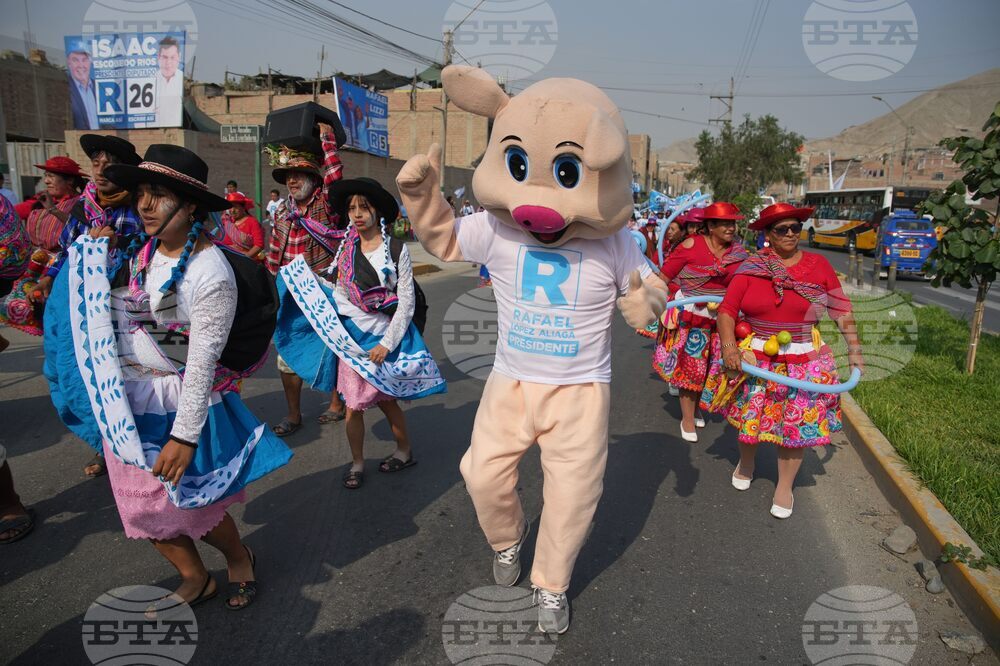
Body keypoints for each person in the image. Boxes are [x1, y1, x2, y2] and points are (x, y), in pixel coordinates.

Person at [397, 65, 667, 634]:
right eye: (519, 167)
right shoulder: (497, 229)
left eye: (568, 172)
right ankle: (508, 537)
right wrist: (421, 196)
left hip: (581, 392)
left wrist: (647, 302)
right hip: (510, 382)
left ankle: (552, 583)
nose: (538, 206)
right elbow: (445, 239)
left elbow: (648, 288)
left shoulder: (615, 242)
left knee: (573, 496)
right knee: (481, 475)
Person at [44, 144, 292, 608]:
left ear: (191, 204)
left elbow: (199, 364)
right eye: (141, 193)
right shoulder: (141, 253)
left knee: (195, 504)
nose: (144, 205)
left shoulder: (210, 273)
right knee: (141, 506)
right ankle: (195, 576)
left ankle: (239, 558)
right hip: (127, 401)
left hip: (178, 405)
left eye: (158, 195)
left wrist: (184, 437)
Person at [277, 178, 445, 489]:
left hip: (382, 337)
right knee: (353, 406)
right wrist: (311, 282)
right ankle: (356, 463)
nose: (356, 214)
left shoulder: (396, 250)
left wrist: (386, 344)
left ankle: (404, 450)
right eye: (352, 208)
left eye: (364, 208)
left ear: (377, 212)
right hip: (352, 341)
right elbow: (341, 292)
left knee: (386, 402)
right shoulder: (347, 247)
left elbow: (406, 302)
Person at [714, 202, 862, 519]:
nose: (791, 233)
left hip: (803, 356)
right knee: (752, 416)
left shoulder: (819, 265)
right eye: (783, 229)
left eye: (796, 227)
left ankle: (784, 486)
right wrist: (729, 347)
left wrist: (854, 349)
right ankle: (747, 463)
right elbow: (726, 311)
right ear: (768, 234)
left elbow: (841, 309)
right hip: (758, 356)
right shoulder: (751, 267)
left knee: (796, 423)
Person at [265, 123, 348, 434]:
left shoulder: (326, 205)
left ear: (314, 178)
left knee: (332, 344)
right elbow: (275, 254)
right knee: (287, 350)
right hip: (291, 291)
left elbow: (335, 177)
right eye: (289, 175)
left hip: (324, 288)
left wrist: (327, 140)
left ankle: (336, 402)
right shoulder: (281, 213)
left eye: (299, 174)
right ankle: (294, 414)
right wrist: (270, 290)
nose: (292, 180)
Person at [657, 201, 748, 442]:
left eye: (733, 224)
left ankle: (696, 408)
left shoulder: (739, 252)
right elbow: (664, 276)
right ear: (710, 226)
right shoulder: (691, 245)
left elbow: (747, 284)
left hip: (723, 320)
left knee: (710, 369)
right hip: (693, 317)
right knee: (691, 368)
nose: (731, 228)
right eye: (725, 224)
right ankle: (687, 418)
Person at [24, 157, 87, 303]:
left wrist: (53, 210)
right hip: (34, 268)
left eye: (51, 176)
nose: (46, 181)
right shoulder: (39, 202)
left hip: (62, 268)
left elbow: (79, 227)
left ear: (70, 180)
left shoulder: (81, 204)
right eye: (46, 176)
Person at [221, 193, 264, 260]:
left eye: (236, 207)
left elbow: (259, 245)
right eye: (231, 207)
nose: (232, 210)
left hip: (246, 262)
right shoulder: (228, 222)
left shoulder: (252, 222)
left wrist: (244, 259)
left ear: (243, 208)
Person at [66, 41, 98, 130]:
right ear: (69, 63)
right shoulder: (64, 88)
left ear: (90, 62)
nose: (81, 65)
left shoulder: (100, 88)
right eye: (75, 60)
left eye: (84, 60)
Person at [153, 36, 183, 127]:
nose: (168, 62)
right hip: (152, 130)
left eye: (172, 57)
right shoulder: (151, 81)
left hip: (177, 128)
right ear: (158, 57)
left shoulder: (182, 81)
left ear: (179, 57)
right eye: (165, 57)